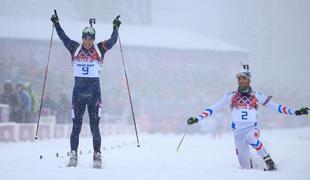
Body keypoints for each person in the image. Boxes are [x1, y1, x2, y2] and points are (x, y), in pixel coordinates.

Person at [187, 64, 309, 171]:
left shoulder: (257, 96)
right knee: (245, 167)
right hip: (237, 133)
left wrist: (296, 112)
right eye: (239, 78)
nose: (241, 80)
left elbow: (276, 107)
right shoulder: (230, 96)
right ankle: (253, 162)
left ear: (249, 80)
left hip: (252, 128)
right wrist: (197, 118)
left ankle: (269, 162)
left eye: (244, 78)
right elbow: (214, 108)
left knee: (250, 136)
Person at [51, 11, 121, 168]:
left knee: (94, 126)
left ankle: (97, 155)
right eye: (85, 38)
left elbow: (113, 40)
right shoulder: (75, 47)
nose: (87, 42)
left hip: (95, 93)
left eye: (90, 39)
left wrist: (115, 27)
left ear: (93, 39)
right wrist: (56, 23)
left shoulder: (99, 49)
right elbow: (63, 37)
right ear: (82, 38)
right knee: (76, 126)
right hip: (78, 94)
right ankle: (73, 154)